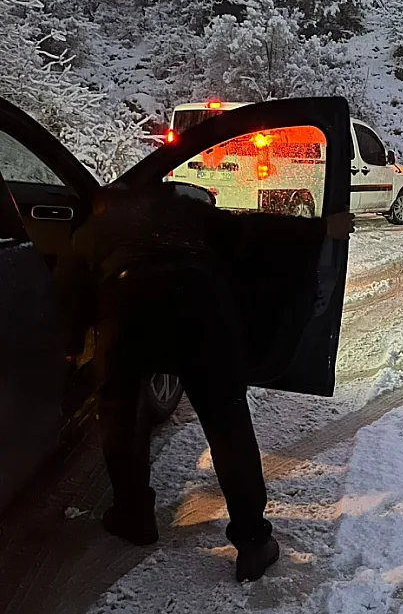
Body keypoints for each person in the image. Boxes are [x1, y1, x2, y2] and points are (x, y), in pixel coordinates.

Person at [55, 184, 354, 582]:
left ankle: (134, 515)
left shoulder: (93, 230)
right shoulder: (186, 213)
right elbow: (254, 231)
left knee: (120, 414)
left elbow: (67, 295)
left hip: (129, 310)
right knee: (226, 422)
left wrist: (73, 352)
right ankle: (252, 541)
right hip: (202, 309)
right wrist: (320, 229)